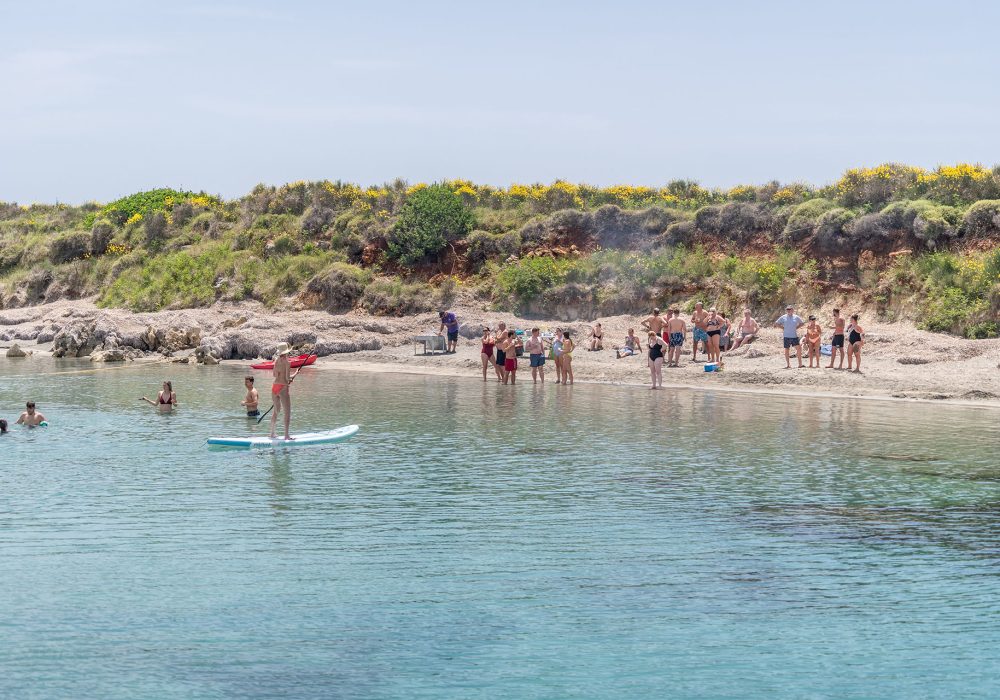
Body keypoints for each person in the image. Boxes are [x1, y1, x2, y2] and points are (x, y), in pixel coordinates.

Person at [269, 342, 300, 440]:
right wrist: (295, 374)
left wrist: (286, 378)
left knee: (276, 411)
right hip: (283, 388)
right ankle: (286, 435)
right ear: (286, 351)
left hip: (275, 387)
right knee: (287, 412)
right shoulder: (287, 362)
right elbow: (287, 378)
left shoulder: (276, 360)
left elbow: (274, 375)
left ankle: (272, 433)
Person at [774, 305, 805, 369]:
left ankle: (800, 364)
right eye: (787, 309)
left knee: (799, 349)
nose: (788, 310)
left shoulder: (796, 317)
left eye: (789, 309)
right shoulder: (783, 317)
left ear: (792, 310)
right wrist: (783, 328)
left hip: (794, 336)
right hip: (786, 336)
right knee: (787, 350)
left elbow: (802, 323)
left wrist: (796, 327)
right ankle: (788, 365)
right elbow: (776, 323)